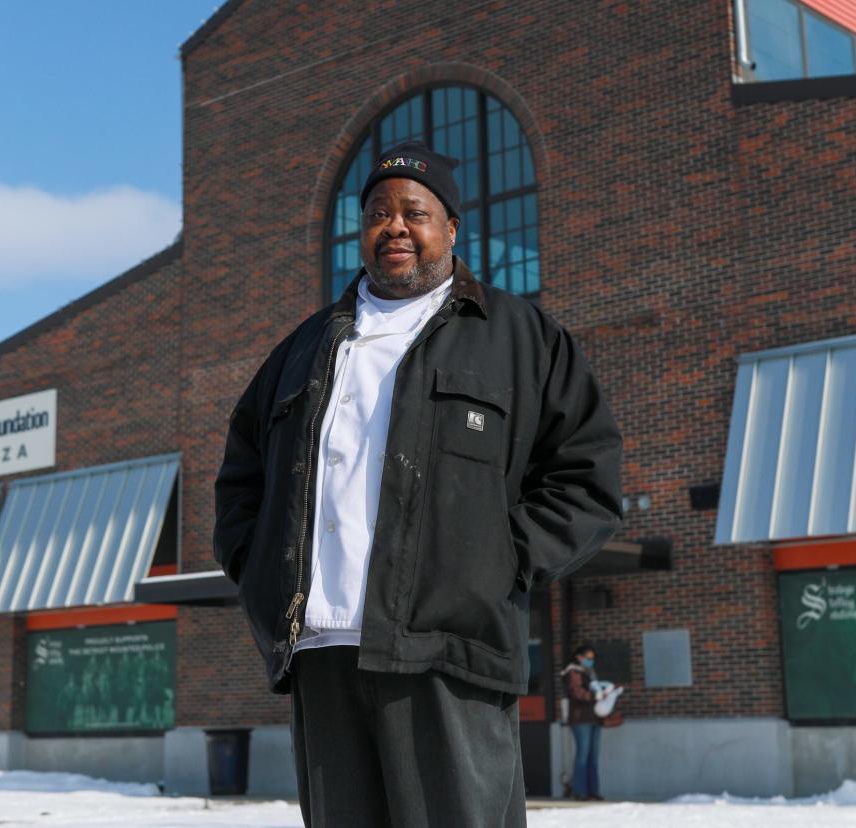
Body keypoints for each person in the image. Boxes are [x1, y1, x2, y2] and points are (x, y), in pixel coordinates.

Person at [214, 140, 623, 825]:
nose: (395, 226)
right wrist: (262, 574)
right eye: (378, 212)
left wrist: (498, 562)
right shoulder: (302, 350)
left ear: (451, 228)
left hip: (448, 652)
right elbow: (240, 482)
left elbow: (587, 476)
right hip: (322, 654)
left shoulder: (519, 339)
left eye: (414, 212)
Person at [561, 645, 605, 801]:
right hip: (580, 719)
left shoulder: (590, 673)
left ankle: (593, 790)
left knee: (593, 757)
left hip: (594, 718)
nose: (590, 661)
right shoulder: (573, 672)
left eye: (592, 658)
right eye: (588, 658)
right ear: (579, 657)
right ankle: (580, 792)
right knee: (582, 755)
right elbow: (577, 693)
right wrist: (596, 696)